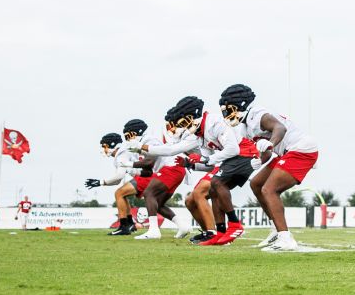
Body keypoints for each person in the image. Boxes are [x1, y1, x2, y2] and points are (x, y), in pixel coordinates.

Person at [219, 84, 320, 252]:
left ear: (241, 104)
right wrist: (257, 161)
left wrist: (271, 143)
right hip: (285, 152)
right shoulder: (245, 128)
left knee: (269, 189)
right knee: (256, 184)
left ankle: (286, 238)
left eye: (229, 109)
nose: (228, 115)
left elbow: (280, 128)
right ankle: (275, 229)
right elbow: (265, 151)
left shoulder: (257, 114)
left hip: (301, 149)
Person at [169, 95, 261, 246]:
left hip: (244, 152)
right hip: (231, 157)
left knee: (215, 183)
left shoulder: (213, 123)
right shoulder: (199, 133)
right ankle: (220, 233)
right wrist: (190, 163)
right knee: (212, 190)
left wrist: (142, 148)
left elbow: (231, 149)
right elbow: (210, 161)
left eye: (184, 123)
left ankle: (234, 224)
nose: (183, 128)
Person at [125, 118, 194, 240]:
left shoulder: (148, 139)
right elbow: (148, 171)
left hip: (172, 167)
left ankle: (153, 230)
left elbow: (150, 161)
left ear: (137, 132)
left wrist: (130, 164)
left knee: (148, 193)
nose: (128, 139)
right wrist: (132, 169)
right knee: (159, 204)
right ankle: (182, 226)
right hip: (174, 169)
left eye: (129, 135)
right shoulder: (144, 142)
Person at [85, 132, 142, 235]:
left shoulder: (121, 153)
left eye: (105, 146)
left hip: (146, 177)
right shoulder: (122, 152)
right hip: (144, 176)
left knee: (119, 193)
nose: (104, 150)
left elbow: (119, 176)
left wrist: (100, 182)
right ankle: (130, 224)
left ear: (112, 144)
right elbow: (117, 181)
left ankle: (124, 226)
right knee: (121, 194)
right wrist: (100, 183)